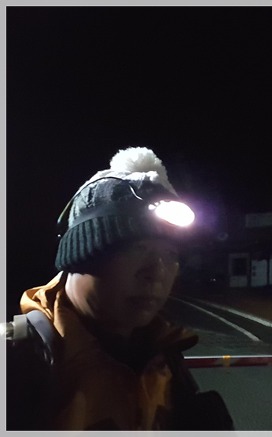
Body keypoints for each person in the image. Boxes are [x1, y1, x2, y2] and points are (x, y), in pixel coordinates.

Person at [5, 147, 234, 430]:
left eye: (171, 255)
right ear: (82, 255)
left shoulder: (164, 357)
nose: (157, 273)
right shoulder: (15, 360)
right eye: (136, 249)